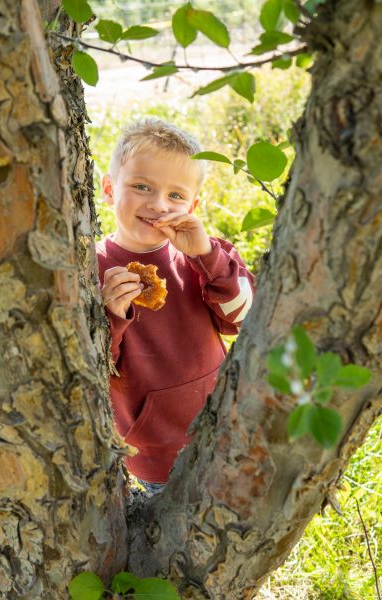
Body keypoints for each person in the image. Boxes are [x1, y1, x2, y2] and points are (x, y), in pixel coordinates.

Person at [96, 119, 254, 494]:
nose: (158, 204)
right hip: (155, 454)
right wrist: (112, 316)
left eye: (176, 195)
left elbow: (246, 318)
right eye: (141, 186)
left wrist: (206, 257)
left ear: (193, 205)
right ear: (108, 189)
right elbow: (94, 367)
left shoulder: (206, 258)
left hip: (226, 427)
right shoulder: (93, 270)